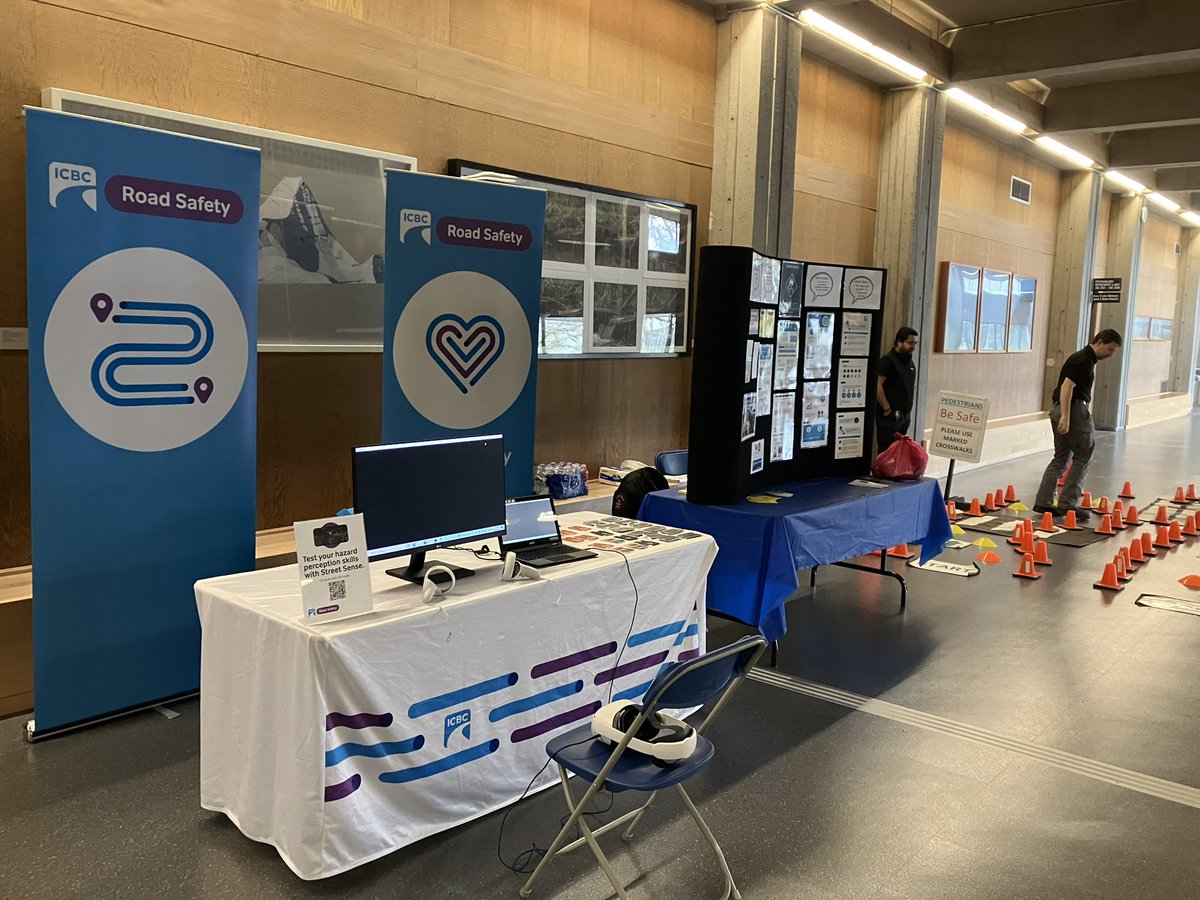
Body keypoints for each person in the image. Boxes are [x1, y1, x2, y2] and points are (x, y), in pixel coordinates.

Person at [1033, 329, 1123, 520]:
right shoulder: (1083, 360)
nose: (1110, 354)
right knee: (1084, 455)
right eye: (1110, 349)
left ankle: (1044, 502)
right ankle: (1068, 504)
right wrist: (1066, 417)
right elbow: (1067, 387)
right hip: (1073, 410)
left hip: (1059, 409)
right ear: (1099, 342)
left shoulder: (1081, 358)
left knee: (1061, 457)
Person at [876, 326, 918, 450]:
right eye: (910, 343)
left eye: (915, 343)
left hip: (904, 416)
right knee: (887, 452)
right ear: (899, 342)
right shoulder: (888, 360)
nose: (913, 346)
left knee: (899, 453)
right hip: (890, 417)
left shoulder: (909, 362)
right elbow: (877, 385)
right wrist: (887, 409)